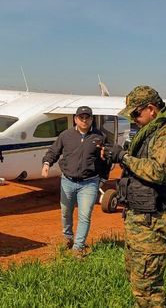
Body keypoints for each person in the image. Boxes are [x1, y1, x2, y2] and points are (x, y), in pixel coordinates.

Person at [105, 85, 166, 307]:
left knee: (148, 290)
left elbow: (159, 171)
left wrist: (123, 157)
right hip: (140, 218)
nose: (134, 120)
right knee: (138, 282)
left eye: (136, 113)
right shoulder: (153, 131)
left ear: (152, 109)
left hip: (154, 220)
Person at [41, 106, 108, 257]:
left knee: (85, 215)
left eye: (88, 118)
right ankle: (68, 237)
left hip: (89, 182)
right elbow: (53, 151)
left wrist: (103, 178)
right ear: (75, 119)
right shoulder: (65, 135)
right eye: (81, 117)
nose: (84, 120)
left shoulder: (100, 137)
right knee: (66, 213)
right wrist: (46, 163)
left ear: (92, 119)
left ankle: (78, 247)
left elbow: (107, 160)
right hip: (67, 181)